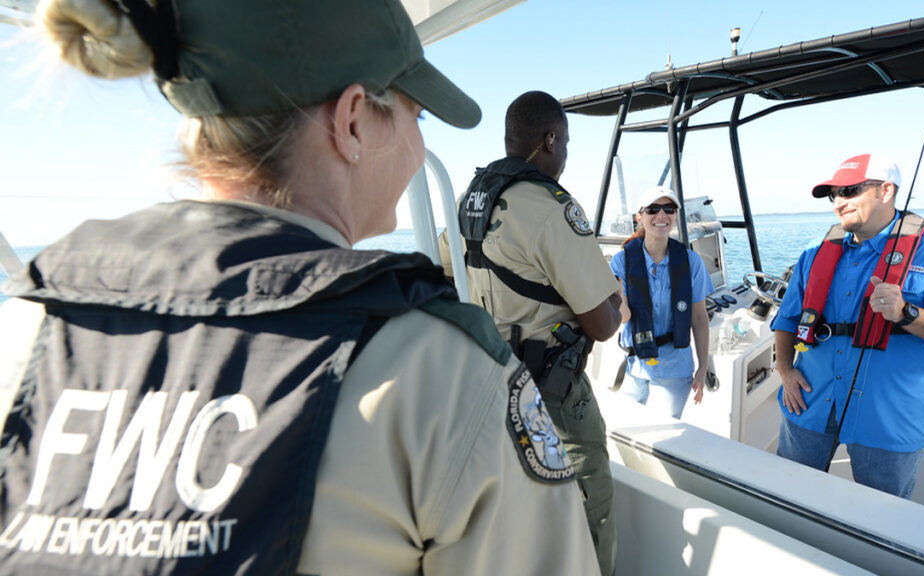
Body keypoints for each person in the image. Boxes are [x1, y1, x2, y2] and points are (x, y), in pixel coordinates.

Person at [0, 1, 601, 574]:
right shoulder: (435, 374)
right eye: (416, 118)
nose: (420, 151)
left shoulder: (29, 333)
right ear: (352, 122)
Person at [440, 90, 621, 575]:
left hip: (490, 385)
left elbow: (446, 272)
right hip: (553, 393)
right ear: (550, 139)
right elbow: (604, 325)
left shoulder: (469, 199)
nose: (564, 155)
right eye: (565, 143)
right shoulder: (549, 207)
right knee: (590, 499)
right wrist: (615, 299)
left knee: (514, 504)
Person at [771, 153, 924, 499]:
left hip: (889, 417)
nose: (839, 203)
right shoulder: (815, 252)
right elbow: (787, 318)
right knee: (787, 495)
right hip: (811, 402)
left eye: (850, 191)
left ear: (886, 191)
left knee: (885, 516)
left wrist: (906, 313)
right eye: (834, 195)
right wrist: (783, 368)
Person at [610, 186, 713, 419]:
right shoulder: (620, 261)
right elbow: (624, 317)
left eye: (669, 208)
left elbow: (699, 318)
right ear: (640, 217)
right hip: (634, 366)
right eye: (653, 209)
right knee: (630, 429)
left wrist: (702, 368)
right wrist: (618, 299)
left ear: (676, 215)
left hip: (675, 368)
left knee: (664, 431)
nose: (661, 215)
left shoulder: (691, 262)